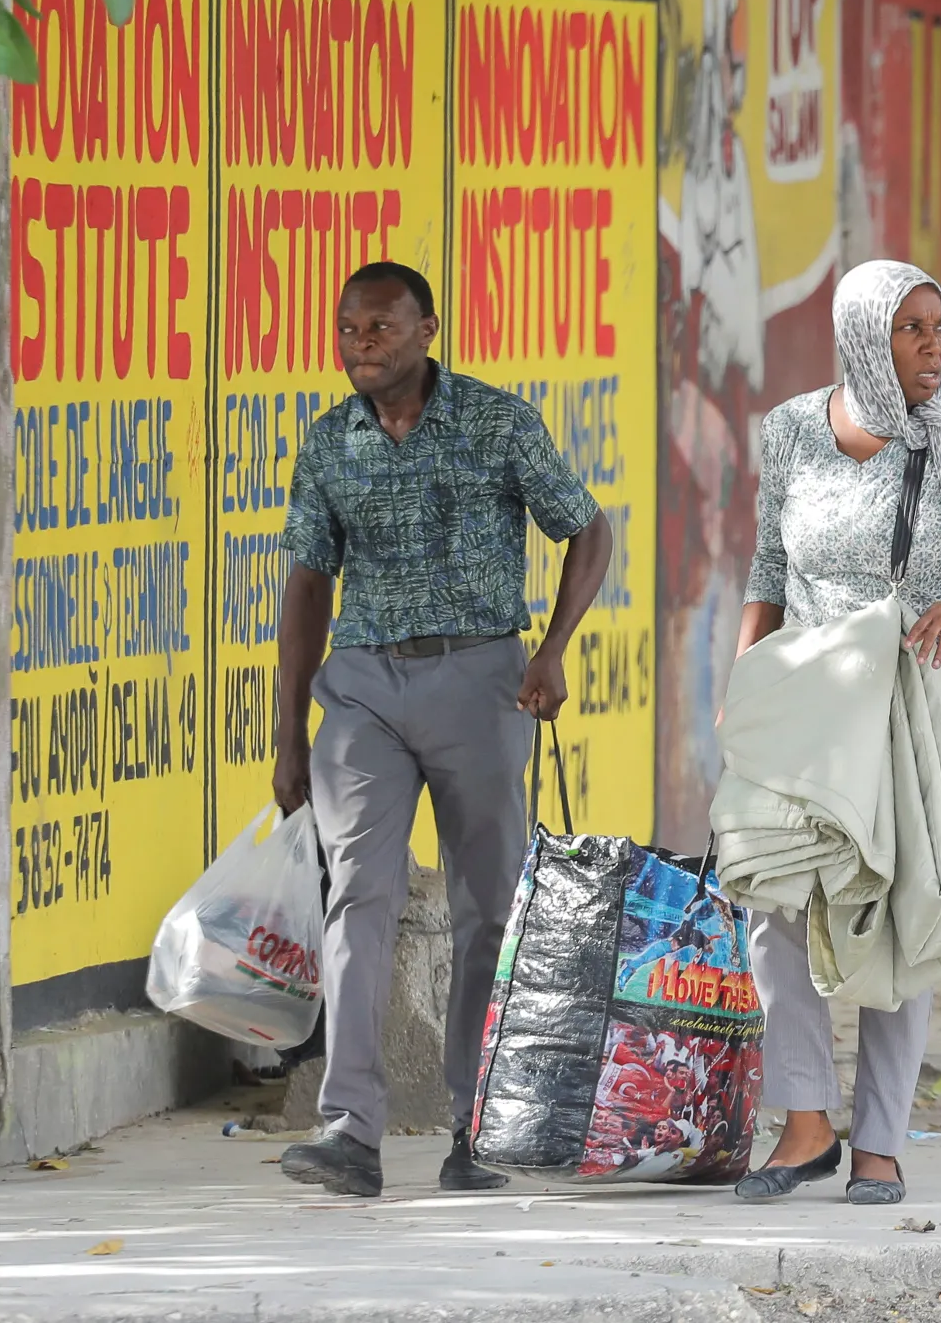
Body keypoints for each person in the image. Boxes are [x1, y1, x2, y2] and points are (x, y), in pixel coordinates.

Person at [271, 261, 615, 1199]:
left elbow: (588, 528)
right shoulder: (329, 442)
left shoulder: (498, 421)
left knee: (489, 912)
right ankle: (349, 1127)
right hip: (363, 691)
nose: (359, 345)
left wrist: (550, 651)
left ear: (428, 328)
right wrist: (288, 731)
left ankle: (477, 1126)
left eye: (379, 327)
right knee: (358, 899)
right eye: (346, 328)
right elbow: (307, 585)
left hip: (481, 679)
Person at [730, 259, 941, 1205]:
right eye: (911, 329)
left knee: (908, 915)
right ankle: (805, 1122)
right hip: (812, 699)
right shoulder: (789, 430)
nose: (935, 346)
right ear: (863, 335)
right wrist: (742, 688)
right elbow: (768, 569)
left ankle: (881, 1141)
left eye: (940, 326)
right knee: (776, 897)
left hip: (922, 694)